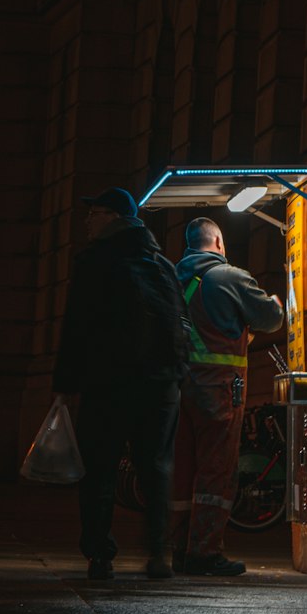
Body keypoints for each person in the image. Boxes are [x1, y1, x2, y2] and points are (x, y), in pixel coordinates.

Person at [52, 186, 187, 582]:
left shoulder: (95, 260)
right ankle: (160, 550)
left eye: (93, 213)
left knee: (100, 467)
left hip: (108, 379)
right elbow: (180, 323)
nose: (87, 221)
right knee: (156, 467)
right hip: (161, 384)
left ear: (111, 217)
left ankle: (99, 554)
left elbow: (77, 324)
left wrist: (65, 383)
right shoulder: (162, 264)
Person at [173, 216, 284, 575]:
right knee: (217, 469)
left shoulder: (172, 279)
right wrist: (277, 303)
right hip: (220, 388)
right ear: (219, 243)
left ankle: (176, 547)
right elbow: (269, 319)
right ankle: (205, 552)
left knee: (182, 468)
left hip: (177, 389)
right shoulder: (229, 277)